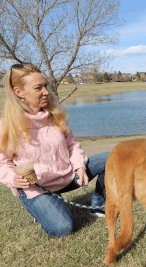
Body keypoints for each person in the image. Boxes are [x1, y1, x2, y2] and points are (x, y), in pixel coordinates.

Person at [0, 63, 109, 238]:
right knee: (63, 229)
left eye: (45, 86)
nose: (45, 91)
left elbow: (72, 145)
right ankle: (42, 207)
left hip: (67, 176)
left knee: (111, 158)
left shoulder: (55, 115)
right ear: (19, 92)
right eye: (38, 88)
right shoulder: (7, 125)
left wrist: (80, 167)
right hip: (37, 187)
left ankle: (98, 205)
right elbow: (2, 163)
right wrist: (13, 178)